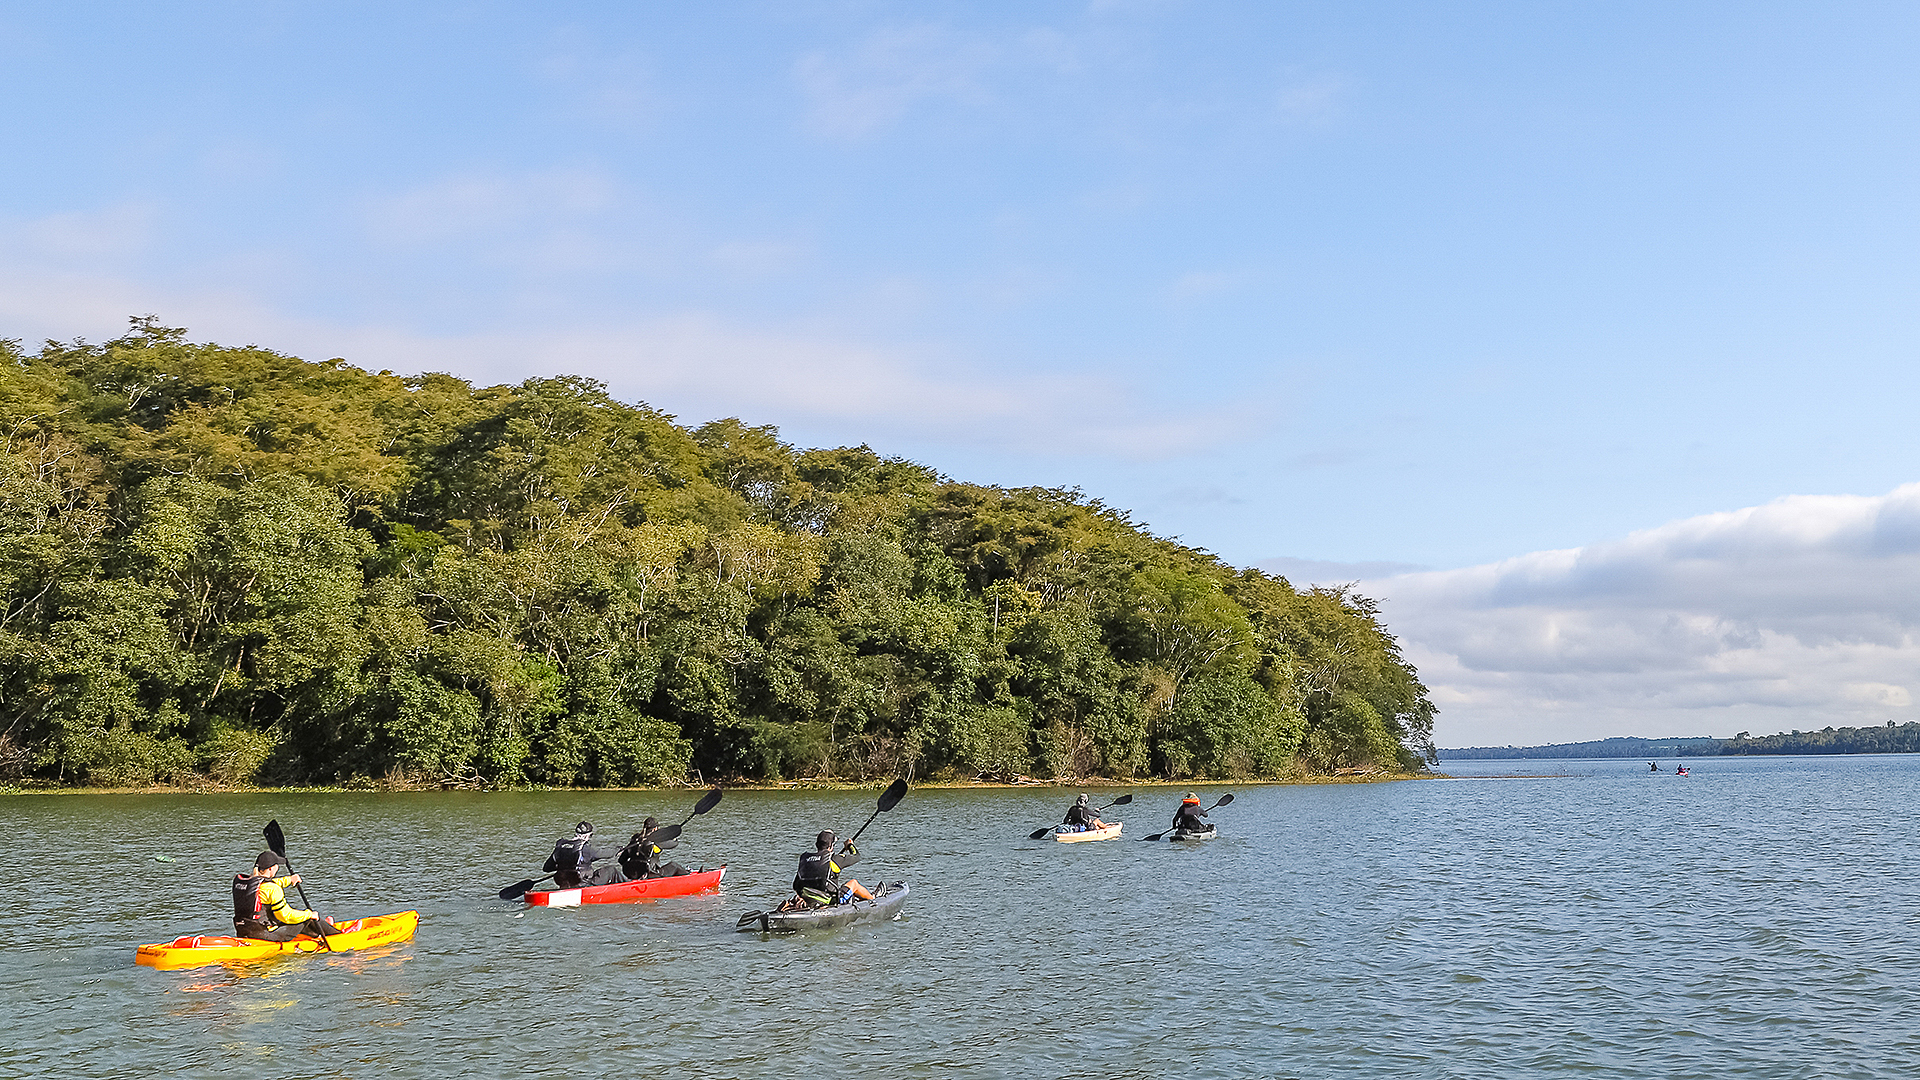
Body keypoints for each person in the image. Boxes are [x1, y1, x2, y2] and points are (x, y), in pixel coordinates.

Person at [233, 852, 341, 942]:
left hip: (243, 931)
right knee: (305, 919)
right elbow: (286, 916)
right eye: (277, 865)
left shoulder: (246, 883)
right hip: (265, 935)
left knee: (302, 917)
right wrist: (309, 914)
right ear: (271, 869)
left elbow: (271, 883)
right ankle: (337, 935)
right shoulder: (273, 889)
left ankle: (321, 928)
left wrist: (290, 879)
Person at [791, 829, 872, 908]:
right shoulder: (834, 859)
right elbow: (856, 856)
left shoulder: (805, 859)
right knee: (854, 883)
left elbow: (796, 886)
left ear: (817, 845)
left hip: (808, 900)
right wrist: (850, 845)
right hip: (830, 901)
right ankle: (874, 900)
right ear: (831, 846)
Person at [544, 821, 620, 888]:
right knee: (611, 870)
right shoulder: (586, 848)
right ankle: (629, 885)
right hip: (583, 883)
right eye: (591, 835)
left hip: (564, 883)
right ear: (588, 835)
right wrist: (619, 850)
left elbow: (547, 868)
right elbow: (606, 853)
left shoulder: (560, 846)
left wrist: (564, 866)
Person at [619, 816, 690, 880]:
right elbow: (674, 844)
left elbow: (621, 860)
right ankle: (690, 879)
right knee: (673, 865)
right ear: (655, 829)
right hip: (651, 874)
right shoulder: (656, 841)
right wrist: (671, 836)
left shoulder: (635, 839)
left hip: (633, 875)